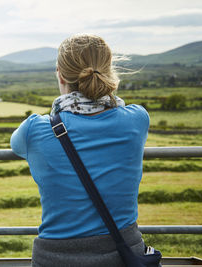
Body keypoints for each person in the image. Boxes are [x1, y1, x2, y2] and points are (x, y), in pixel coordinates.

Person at [10, 34, 150, 266]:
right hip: (124, 254)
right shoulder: (137, 118)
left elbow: (15, 145)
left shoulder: (34, 129)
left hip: (56, 258)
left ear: (60, 74)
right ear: (108, 71)